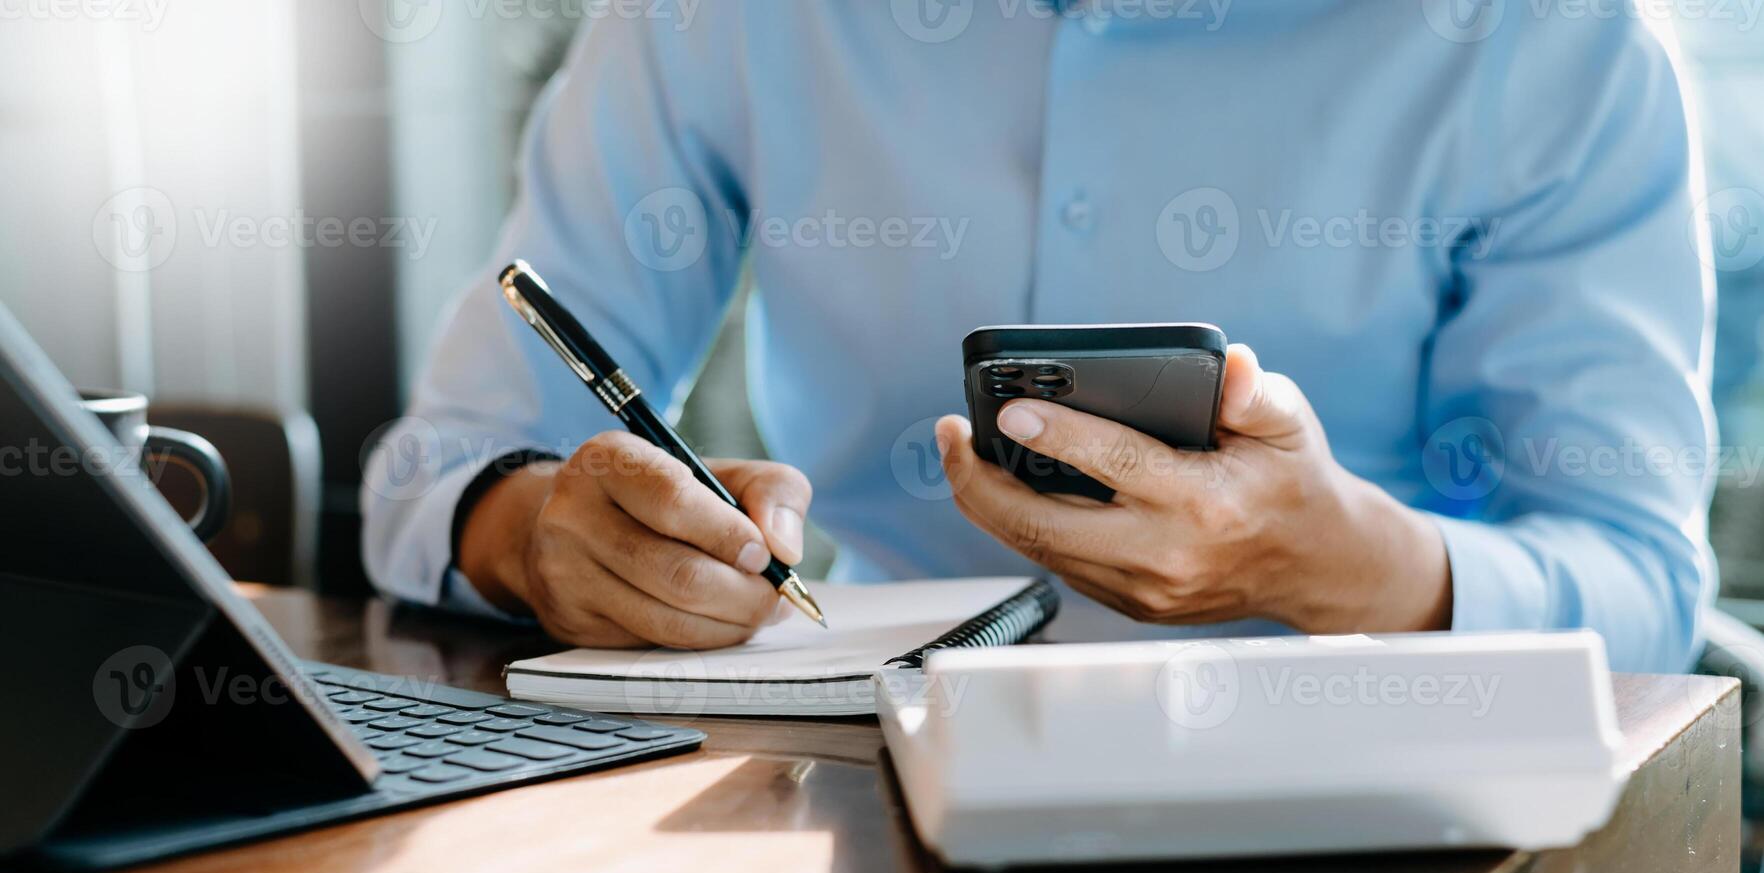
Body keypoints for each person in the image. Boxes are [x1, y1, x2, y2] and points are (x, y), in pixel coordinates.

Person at [362, 2, 1715, 673]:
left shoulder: (1556, 44)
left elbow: (1643, 586)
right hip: (854, 778)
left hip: (1379, 811)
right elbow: (451, 462)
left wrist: (1354, 566)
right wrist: (538, 528)